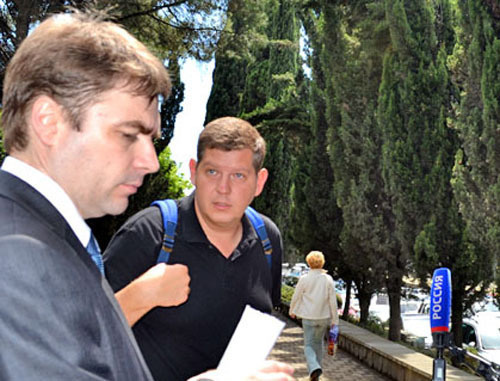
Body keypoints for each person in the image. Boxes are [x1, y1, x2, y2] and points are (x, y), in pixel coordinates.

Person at [0, 9, 293, 381]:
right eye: (128, 134)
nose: (151, 162)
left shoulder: (46, 236)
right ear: (49, 122)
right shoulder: (15, 253)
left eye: (150, 139)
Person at [103, 116, 285, 381]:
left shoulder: (267, 240)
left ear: (259, 182)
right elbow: (85, 338)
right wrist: (141, 296)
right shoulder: (150, 233)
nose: (223, 188)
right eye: (212, 172)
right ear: (193, 171)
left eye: (238, 175)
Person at [289, 251, 339, 381]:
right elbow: (332, 301)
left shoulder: (304, 278)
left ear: (308, 262)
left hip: (308, 317)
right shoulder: (328, 279)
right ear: (322, 262)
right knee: (318, 344)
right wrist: (335, 320)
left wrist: (292, 310)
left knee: (308, 345)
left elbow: (296, 296)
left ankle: (314, 367)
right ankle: (316, 372)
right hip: (323, 317)